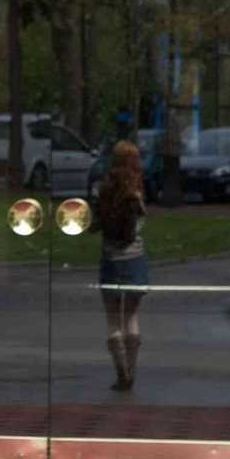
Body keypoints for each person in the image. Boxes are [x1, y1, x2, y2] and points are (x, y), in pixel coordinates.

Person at [94, 138, 150, 391]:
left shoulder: (104, 189)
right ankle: (133, 370)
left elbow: (97, 223)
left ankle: (121, 373)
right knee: (132, 316)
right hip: (135, 259)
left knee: (113, 319)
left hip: (111, 260)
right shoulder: (136, 192)